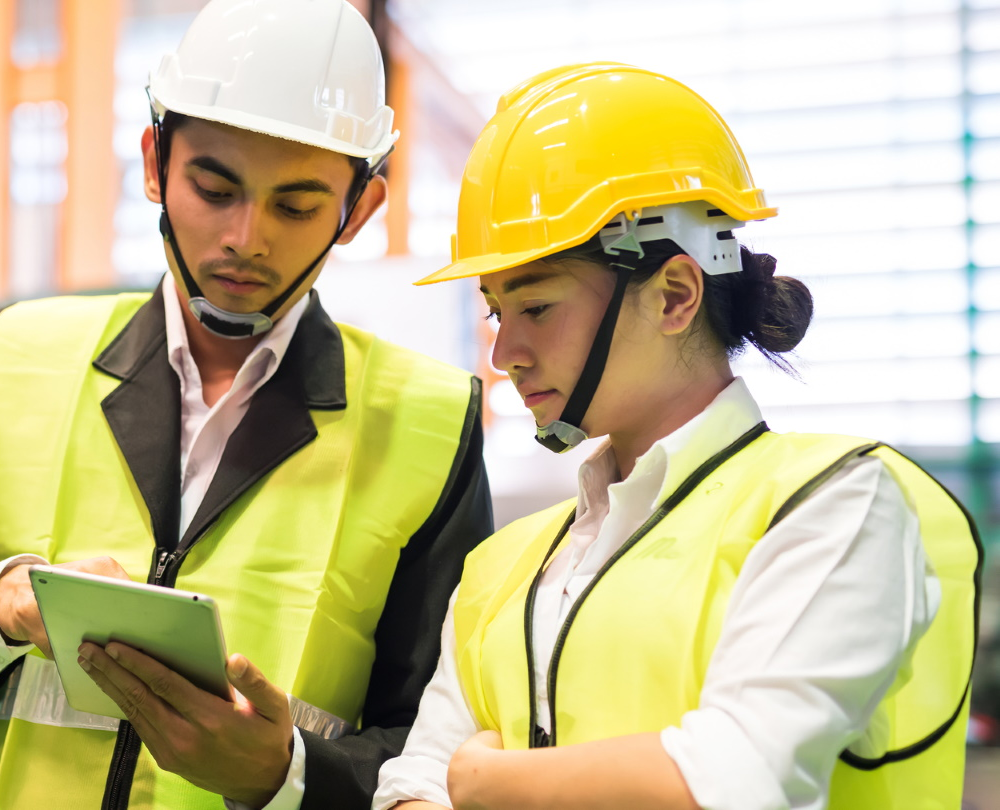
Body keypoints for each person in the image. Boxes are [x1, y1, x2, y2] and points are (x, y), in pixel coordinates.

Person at [0, 2, 494, 808]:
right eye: (215, 186)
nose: (247, 237)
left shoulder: (428, 422)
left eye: (297, 205)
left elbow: (435, 754)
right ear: (153, 163)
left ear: (362, 210)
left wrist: (287, 775)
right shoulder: (13, 359)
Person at [372, 62, 980, 810]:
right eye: (498, 313)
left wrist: (486, 782)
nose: (504, 355)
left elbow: (734, 782)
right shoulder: (500, 569)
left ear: (675, 295)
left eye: (537, 309)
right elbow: (409, 788)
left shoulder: (833, 505)